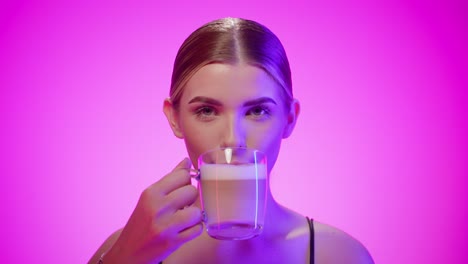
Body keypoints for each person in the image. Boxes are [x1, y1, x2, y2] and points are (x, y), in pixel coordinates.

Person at [89, 17, 374, 264]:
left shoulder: (337, 254)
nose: (232, 139)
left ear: (289, 118)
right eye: (207, 111)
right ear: (174, 117)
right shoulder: (129, 249)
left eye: (257, 111)